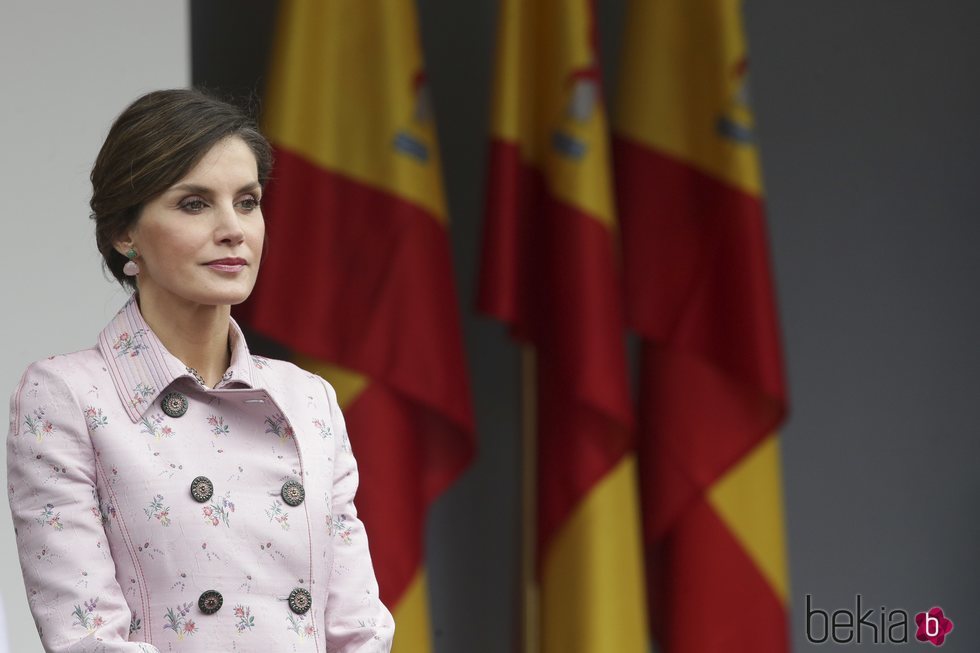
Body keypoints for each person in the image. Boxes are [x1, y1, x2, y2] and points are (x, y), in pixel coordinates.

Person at [6, 89, 394, 652]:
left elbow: (359, 628)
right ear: (124, 232)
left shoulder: (309, 400)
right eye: (194, 203)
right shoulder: (67, 397)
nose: (233, 228)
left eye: (247, 201)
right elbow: (87, 638)